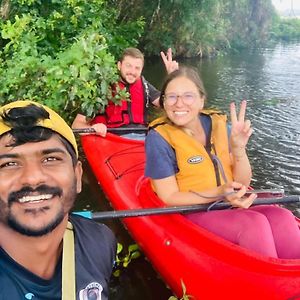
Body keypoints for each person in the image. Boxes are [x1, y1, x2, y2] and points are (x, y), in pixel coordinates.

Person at [145, 66, 300, 259]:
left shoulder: (219, 125)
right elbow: (169, 197)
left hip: (228, 201)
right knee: (253, 224)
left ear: (202, 100)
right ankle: (273, 284)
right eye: (172, 96)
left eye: (188, 96)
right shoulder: (158, 138)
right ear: (164, 101)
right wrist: (219, 193)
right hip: (192, 209)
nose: (179, 103)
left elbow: (242, 182)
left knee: (283, 217)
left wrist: (238, 149)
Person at [0, 100, 117, 299]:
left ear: (78, 176)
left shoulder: (99, 242)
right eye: (9, 163)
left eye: (51, 159)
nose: (33, 178)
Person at [72, 47, 179, 138]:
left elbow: (169, 104)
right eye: (128, 66)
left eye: (137, 68)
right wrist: (93, 128)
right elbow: (77, 125)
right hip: (112, 138)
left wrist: (173, 77)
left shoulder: (144, 85)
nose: (132, 72)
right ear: (119, 65)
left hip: (142, 137)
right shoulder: (102, 87)